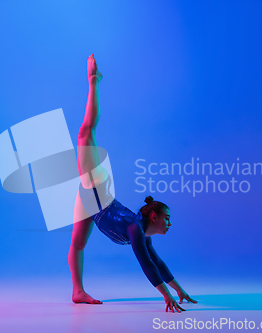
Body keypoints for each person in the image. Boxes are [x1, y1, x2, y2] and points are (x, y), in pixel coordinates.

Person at [68, 54, 197, 313]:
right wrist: (165, 295)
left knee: (78, 244)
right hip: (96, 191)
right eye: (167, 218)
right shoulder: (136, 229)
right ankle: (94, 81)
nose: (169, 223)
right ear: (153, 215)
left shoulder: (142, 232)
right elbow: (145, 263)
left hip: (93, 203)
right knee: (86, 132)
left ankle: (77, 292)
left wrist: (178, 290)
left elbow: (156, 261)